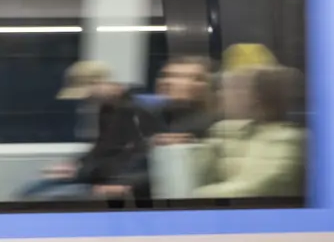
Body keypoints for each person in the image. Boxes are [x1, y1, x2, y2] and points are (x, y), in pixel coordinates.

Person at [23, 60, 160, 203]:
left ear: (102, 84)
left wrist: (124, 182)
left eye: (88, 93)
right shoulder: (107, 110)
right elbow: (102, 148)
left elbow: (144, 157)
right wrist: (76, 164)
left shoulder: (137, 111)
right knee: (29, 192)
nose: (86, 99)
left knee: (43, 199)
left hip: (117, 183)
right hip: (99, 178)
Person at [194, 65, 306, 200]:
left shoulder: (289, 139)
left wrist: (192, 196)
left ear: (259, 97)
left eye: (235, 88)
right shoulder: (225, 130)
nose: (222, 95)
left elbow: (251, 190)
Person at [153, 55, 218, 143]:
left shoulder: (214, 124)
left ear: (202, 85)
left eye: (178, 76)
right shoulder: (148, 118)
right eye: (164, 76)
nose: (167, 81)